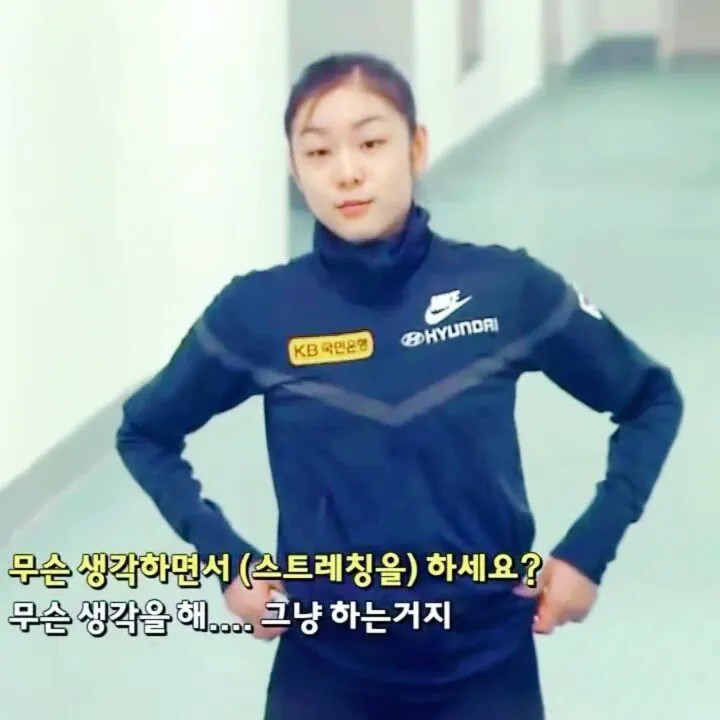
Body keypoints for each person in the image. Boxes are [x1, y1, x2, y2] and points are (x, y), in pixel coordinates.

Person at [115, 52, 684, 719]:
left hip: (485, 666)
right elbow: (144, 432)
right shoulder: (258, 313)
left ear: (415, 147)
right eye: (318, 152)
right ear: (294, 169)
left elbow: (650, 399)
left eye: (371, 143)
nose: (347, 172)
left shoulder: (504, 289)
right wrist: (227, 558)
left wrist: (589, 550)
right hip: (325, 667)